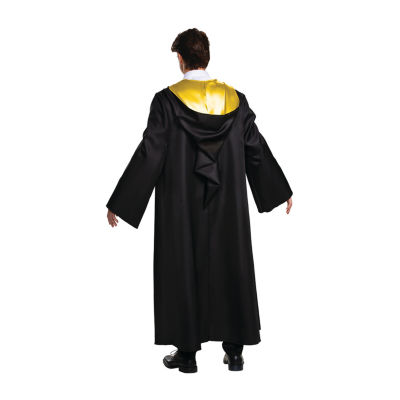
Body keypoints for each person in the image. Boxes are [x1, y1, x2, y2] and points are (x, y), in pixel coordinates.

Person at [106, 28, 293, 373]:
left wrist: (121, 199)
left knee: (182, 267)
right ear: (207, 57)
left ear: (180, 59)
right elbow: (254, 147)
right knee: (230, 264)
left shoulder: (166, 102)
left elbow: (151, 152)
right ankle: (234, 352)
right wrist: (280, 190)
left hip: (182, 206)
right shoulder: (236, 101)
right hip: (227, 204)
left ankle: (188, 354)